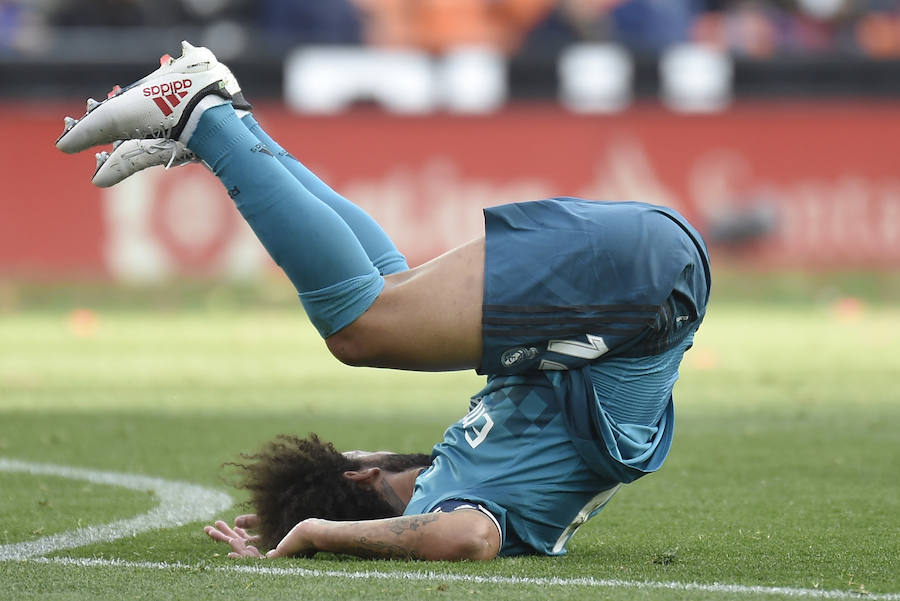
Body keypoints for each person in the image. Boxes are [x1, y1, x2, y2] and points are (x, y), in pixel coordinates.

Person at [56, 41, 711, 561]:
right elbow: (441, 521)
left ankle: (213, 118)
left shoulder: (471, 480)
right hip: (636, 288)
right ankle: (216, 118)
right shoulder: (462, 485)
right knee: (371, 319)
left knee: (379, 311)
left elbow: (424, 506)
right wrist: (313, 521)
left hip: (644, 289)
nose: (364, 456)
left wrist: (312, 516)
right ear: (366, 481)